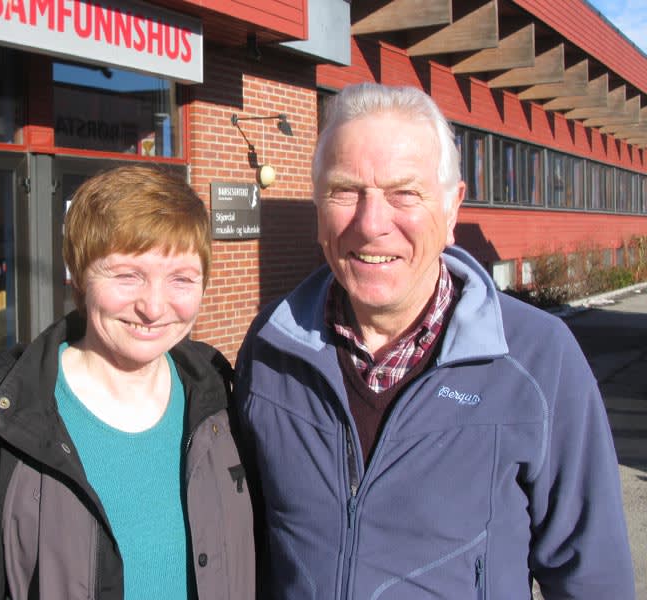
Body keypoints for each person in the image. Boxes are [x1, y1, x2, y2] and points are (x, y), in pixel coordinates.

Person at [234, 83, 635, 599]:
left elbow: (594, 578)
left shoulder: (539, 358)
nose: (371, 224)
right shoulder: (271, 349)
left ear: (451, 210)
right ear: (317, 208)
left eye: (404, 193)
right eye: (345, 191)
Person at [0, 165, 255, 599]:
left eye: (181, 279)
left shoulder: (221, 400)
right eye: (128, 275)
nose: (154, 307)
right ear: (79, 277)